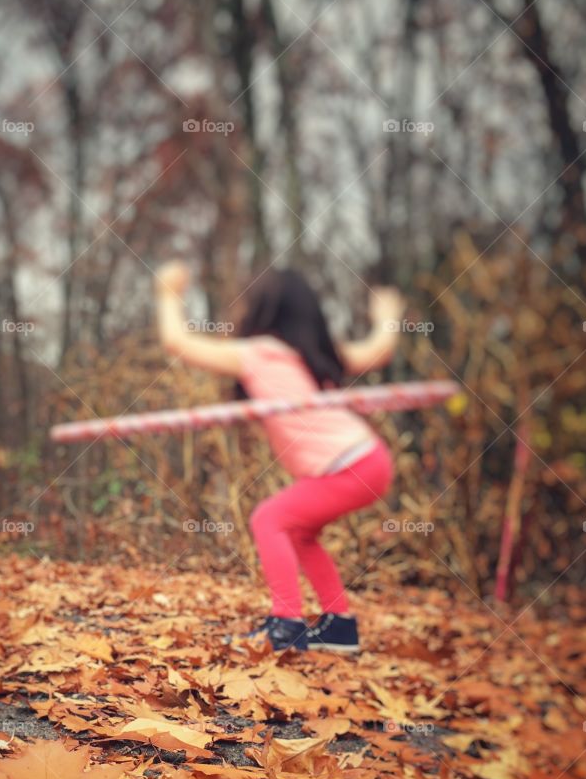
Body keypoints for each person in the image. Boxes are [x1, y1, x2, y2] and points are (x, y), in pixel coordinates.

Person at [155, 260, 403, 652]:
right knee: (300, 533)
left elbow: (178, 344)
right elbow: (379, 350)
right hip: (366, 460)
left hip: (350, 464)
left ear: (262, 309)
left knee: (268, 518)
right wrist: (387, 316)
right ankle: (339, 627)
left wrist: (169, 292)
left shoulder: (260, 353)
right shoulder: (314, 353)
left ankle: (286, 624)